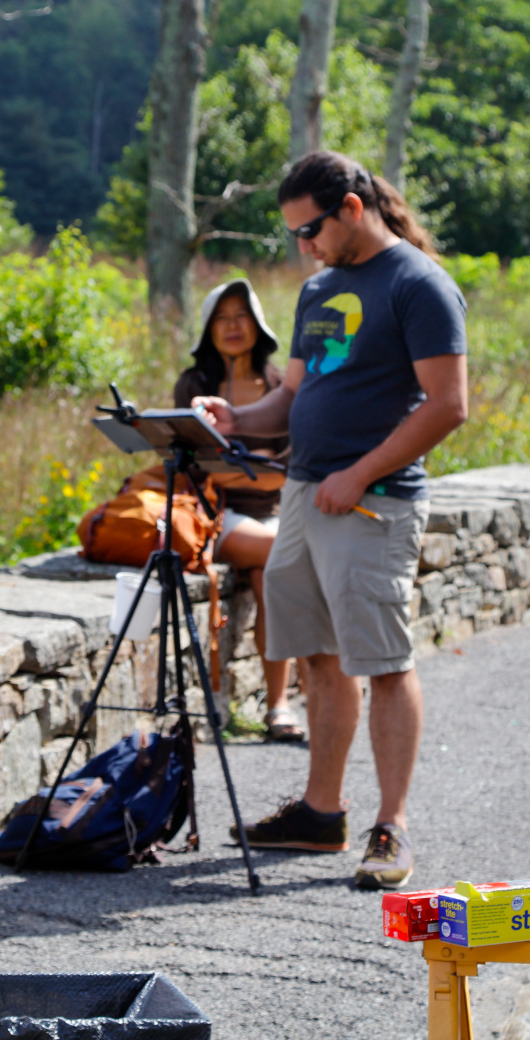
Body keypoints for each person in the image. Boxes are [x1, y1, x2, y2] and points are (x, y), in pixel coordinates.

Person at [192, 151, 467, 891]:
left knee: (382, 659)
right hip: (306, 498)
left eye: (309, 228)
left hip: (371, 502)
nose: (302, 245)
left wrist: (360, 472)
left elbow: (448, 403)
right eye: (292, 234)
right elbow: (290, 399)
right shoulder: (320, 288)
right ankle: (321, 812)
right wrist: (236, 418)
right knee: (317, 653)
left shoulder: (420, 285)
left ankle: (393, 825)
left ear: (351, 208)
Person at [171, 278, 303, 743]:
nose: (232, 325)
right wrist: (252, 472)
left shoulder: (278, 385)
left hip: (274, 513)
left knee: (275, 577)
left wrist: (231, 469)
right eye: (221, 317)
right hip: (216, 518)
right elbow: (191, 470)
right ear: (208, 328)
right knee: (288, 554)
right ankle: (315, 676)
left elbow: (290, 470)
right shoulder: (195, 386)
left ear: (257, 324)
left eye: (240, 315)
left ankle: (278, 705)